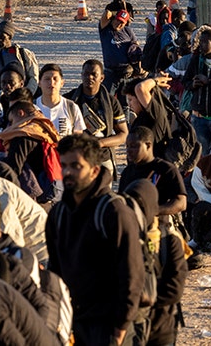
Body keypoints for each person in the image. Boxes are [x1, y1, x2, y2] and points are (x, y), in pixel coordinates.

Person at [46, 134, 145, 346]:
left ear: (94, 170)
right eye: (63, 165)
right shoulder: (58, 214)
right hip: (73, 320)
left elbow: (132, 274)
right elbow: (55, 269)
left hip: (109, 324)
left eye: (76, 166)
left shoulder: (113, 212)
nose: (68, 172)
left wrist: (120, 327)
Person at [121, 180, 187, 346]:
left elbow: (175, 289)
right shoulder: (123, 237)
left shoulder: (169, 240)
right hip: (132, 325)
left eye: (140, 206)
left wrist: (143, 302)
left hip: (161, 325)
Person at [65, 60, 130, 177]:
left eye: (94, 74)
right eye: (85, 74)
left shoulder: (111, 102)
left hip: (102, 157)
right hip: (76, 157)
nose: (89, 77)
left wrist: (99, 143)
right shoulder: (69, 100)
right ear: (81, 75)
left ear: (102, 78)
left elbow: (123, 134)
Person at [119, 127, 187, 227]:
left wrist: (153, 211)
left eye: (133, 146)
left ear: (148, 145)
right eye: (127, 146)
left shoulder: (166, 169)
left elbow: (181, 202)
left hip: (159, 227)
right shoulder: (128, 171)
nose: (128, 151)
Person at [181, 27, 211, 155]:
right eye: (200, 41)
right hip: (199, 118)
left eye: (204, 42)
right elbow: (185, 82)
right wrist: (192, 84)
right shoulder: (196, 60)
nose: (200, 45)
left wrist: (209, 81)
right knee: (202, 156)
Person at [0, 19, 40, 97]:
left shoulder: (24, 54)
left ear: (9, 37)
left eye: (2, 37)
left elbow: (34, 77)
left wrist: (26, 95)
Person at [99, 8, 142, 92]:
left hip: (126, 72)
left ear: (126, 23)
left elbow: (136, 47)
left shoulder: (128, 31)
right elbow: (107, 13)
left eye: (122, 22)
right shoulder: (106, 29)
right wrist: (117, 13)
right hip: (111, 72)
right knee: (107, 99)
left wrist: (138, 66)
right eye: (117, 20)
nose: (119, 24)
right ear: (114, 18)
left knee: (125, 102)